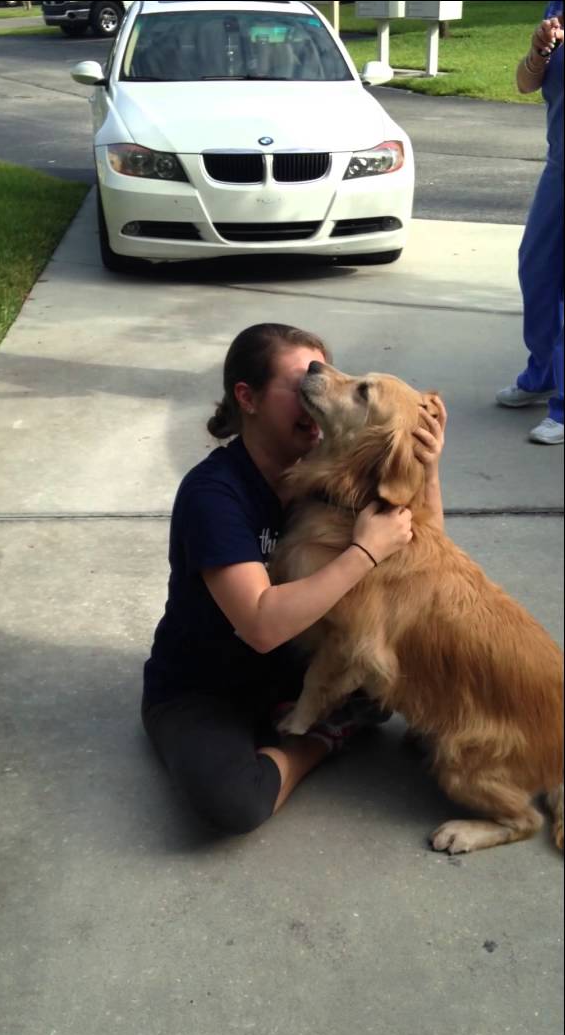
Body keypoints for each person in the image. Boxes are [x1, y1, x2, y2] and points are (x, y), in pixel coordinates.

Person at [142, 323, 447, 834]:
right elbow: (260, 625)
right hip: (205, 688)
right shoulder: (213, 496)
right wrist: (364, 551)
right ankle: (321, 740)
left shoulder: (324, 469)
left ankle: (329, 709)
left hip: (294, 670)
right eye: (302, 379)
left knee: (398, 653)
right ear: (248, 397)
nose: (319, 389)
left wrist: (426, 468)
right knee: (231, 803)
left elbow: (424, 546)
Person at [495, 3, 564, 444]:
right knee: (535, 271)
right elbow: (525, 84)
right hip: (559, 168)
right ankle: (541, 374)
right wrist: (539, 51)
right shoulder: (555, 8)